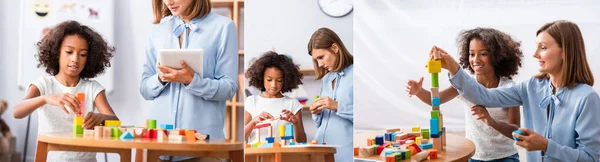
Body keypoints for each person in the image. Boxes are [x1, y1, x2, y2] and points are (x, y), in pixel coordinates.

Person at [435, 20, 600, 162]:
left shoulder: (586, 98)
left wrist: (546, 146)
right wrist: (454, 69)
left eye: (542, 47)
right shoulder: (531, 87)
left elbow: (591, 157)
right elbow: (484, 96)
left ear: (565, 51)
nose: (535, 54)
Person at [140, 0, 238, 161]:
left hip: (203, 147)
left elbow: (229, 88)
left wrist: (193, 81)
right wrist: (160, 78)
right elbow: (145, 88)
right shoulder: (158, 29)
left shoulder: (223, 27)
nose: (168, 2)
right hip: (159, 146)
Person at [406, 28, 522, 161]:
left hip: (505, 157)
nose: (476, 59)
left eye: (483, 54)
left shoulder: (509, 88)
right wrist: (418, 91)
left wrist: (491, 122)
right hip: (473, 156)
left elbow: (516, 131)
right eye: (472, 54)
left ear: (497, 56)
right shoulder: (466, 85)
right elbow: (435, 100)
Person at [13, 20, 119, 162]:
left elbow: (116, 122)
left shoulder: (93, 88)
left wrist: (101, 118)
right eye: (69, 52)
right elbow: (17, 112)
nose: (75, 59)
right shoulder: (43, 85)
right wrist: (46, 98)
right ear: (57, 52)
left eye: (82, 54)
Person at [307, 27, 354, 162]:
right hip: (322, 152)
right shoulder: (326, 79)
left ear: (334, 48)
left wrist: (337, 106)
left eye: (321, 57)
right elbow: (322, 123)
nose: (320, 64)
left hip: (345, 153)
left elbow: (366, 116)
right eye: (316, 60)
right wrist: (316, 113)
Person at [243, 51, 307, 144]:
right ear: (261, 77)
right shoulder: (251, 101)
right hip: (257, 155)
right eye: (269, 80)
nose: (273, 85)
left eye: (279, 80)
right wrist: (254, 121)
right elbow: (242, 137)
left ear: (285, 80)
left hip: (285, 156)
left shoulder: (293, 104)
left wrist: (296, 123)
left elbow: (302, 141)